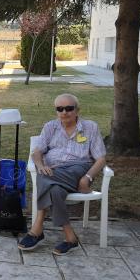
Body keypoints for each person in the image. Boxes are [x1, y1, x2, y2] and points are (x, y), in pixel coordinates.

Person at [18, 93, 106, 255]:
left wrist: (88, 178)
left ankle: (37, 227)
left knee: (44, 176)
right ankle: (70, 237)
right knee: (54, 190)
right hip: (55, 171)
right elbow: (37, 152)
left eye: (69, 108)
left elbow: (100, 158)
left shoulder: (90, 127)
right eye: (60, 109)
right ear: (56, 111)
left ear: (77, 110)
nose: (64, 112)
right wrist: (40, 165)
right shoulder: (51, 127)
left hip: (78, 169)